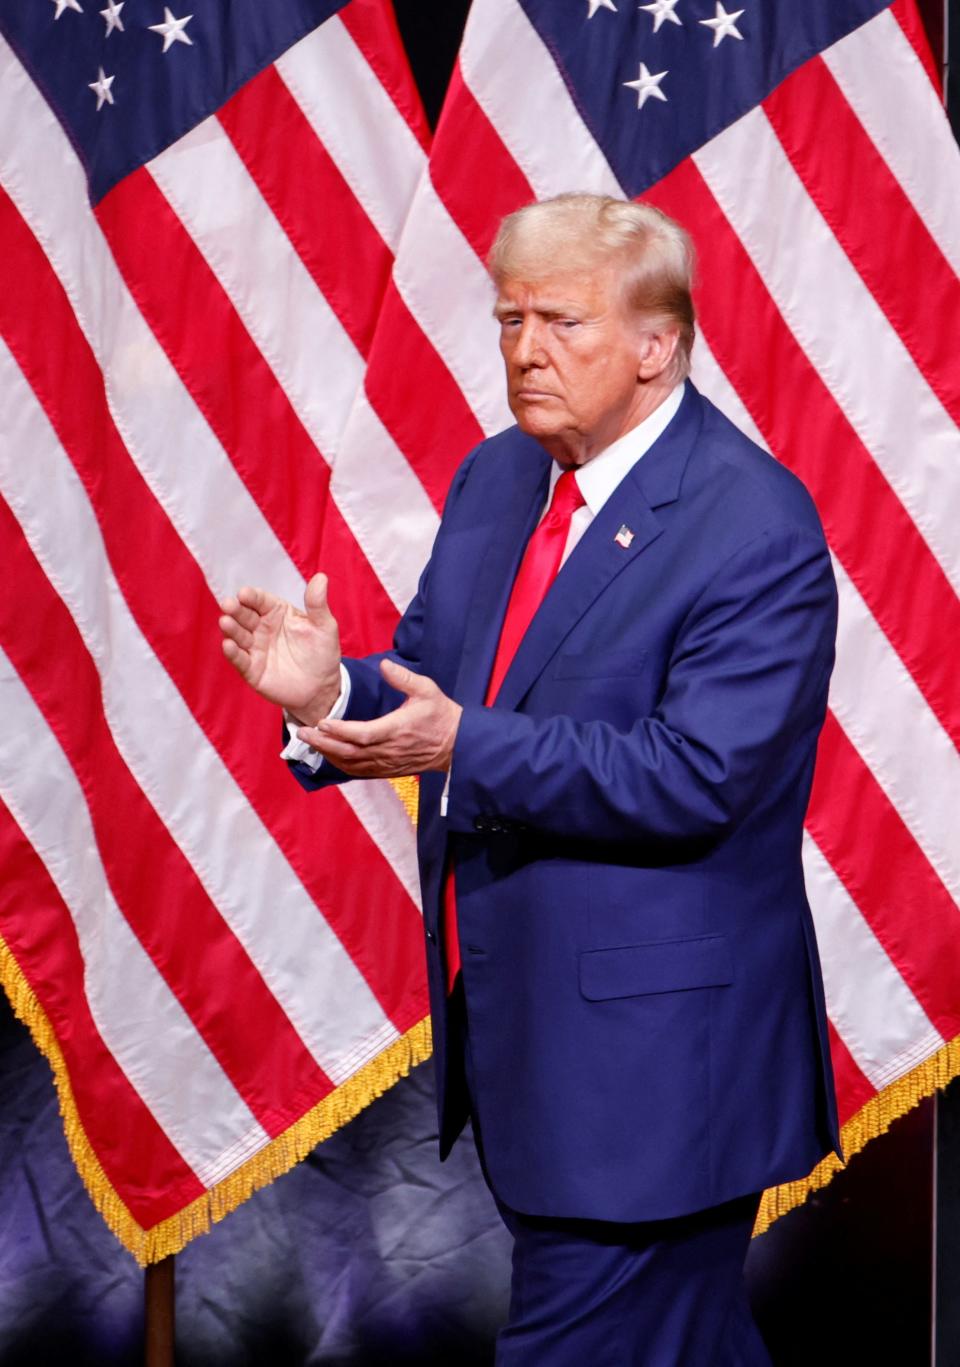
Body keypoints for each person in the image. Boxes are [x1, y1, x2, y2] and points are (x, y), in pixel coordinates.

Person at [219, 194, 840, 1365]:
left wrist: (465, 743)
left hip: (655, 1080)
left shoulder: (753, 520)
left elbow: (697, 773)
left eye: (561, 320)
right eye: (510, 317)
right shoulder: (501, 477)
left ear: (659, 345)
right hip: (535, 1053)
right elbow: (440, 680)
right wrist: (324, 695)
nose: (523, 349)